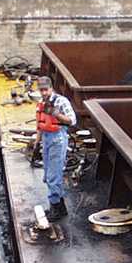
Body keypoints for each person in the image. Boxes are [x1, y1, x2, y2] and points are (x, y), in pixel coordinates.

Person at [35, 76, 76, 221]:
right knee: (47, 174)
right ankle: (60, 207)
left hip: (57, 139)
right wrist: (36, 144)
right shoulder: (40, 102)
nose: (44, 93)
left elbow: (72, 120)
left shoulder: (61, 101)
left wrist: (56, 114)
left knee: (54, 174)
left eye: (46, 89)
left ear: (51, 88)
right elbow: (40, 124)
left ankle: (55, 207)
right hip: (46, 138)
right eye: (41, 90)